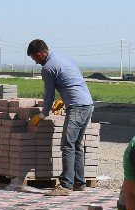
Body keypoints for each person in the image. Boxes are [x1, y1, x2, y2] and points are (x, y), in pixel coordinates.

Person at [27, 39, 95, 196]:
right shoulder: (65, 59)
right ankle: (79, 182)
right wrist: (64, 99)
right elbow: (72, 82)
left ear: (40, 54)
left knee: (67, 145)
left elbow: (49, 94)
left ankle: (65, 185)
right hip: (87, 104)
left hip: (77, 107)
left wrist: (43, 114)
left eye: (34, 58)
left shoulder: (48, 68)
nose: (36, 62)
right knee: (76, 144)